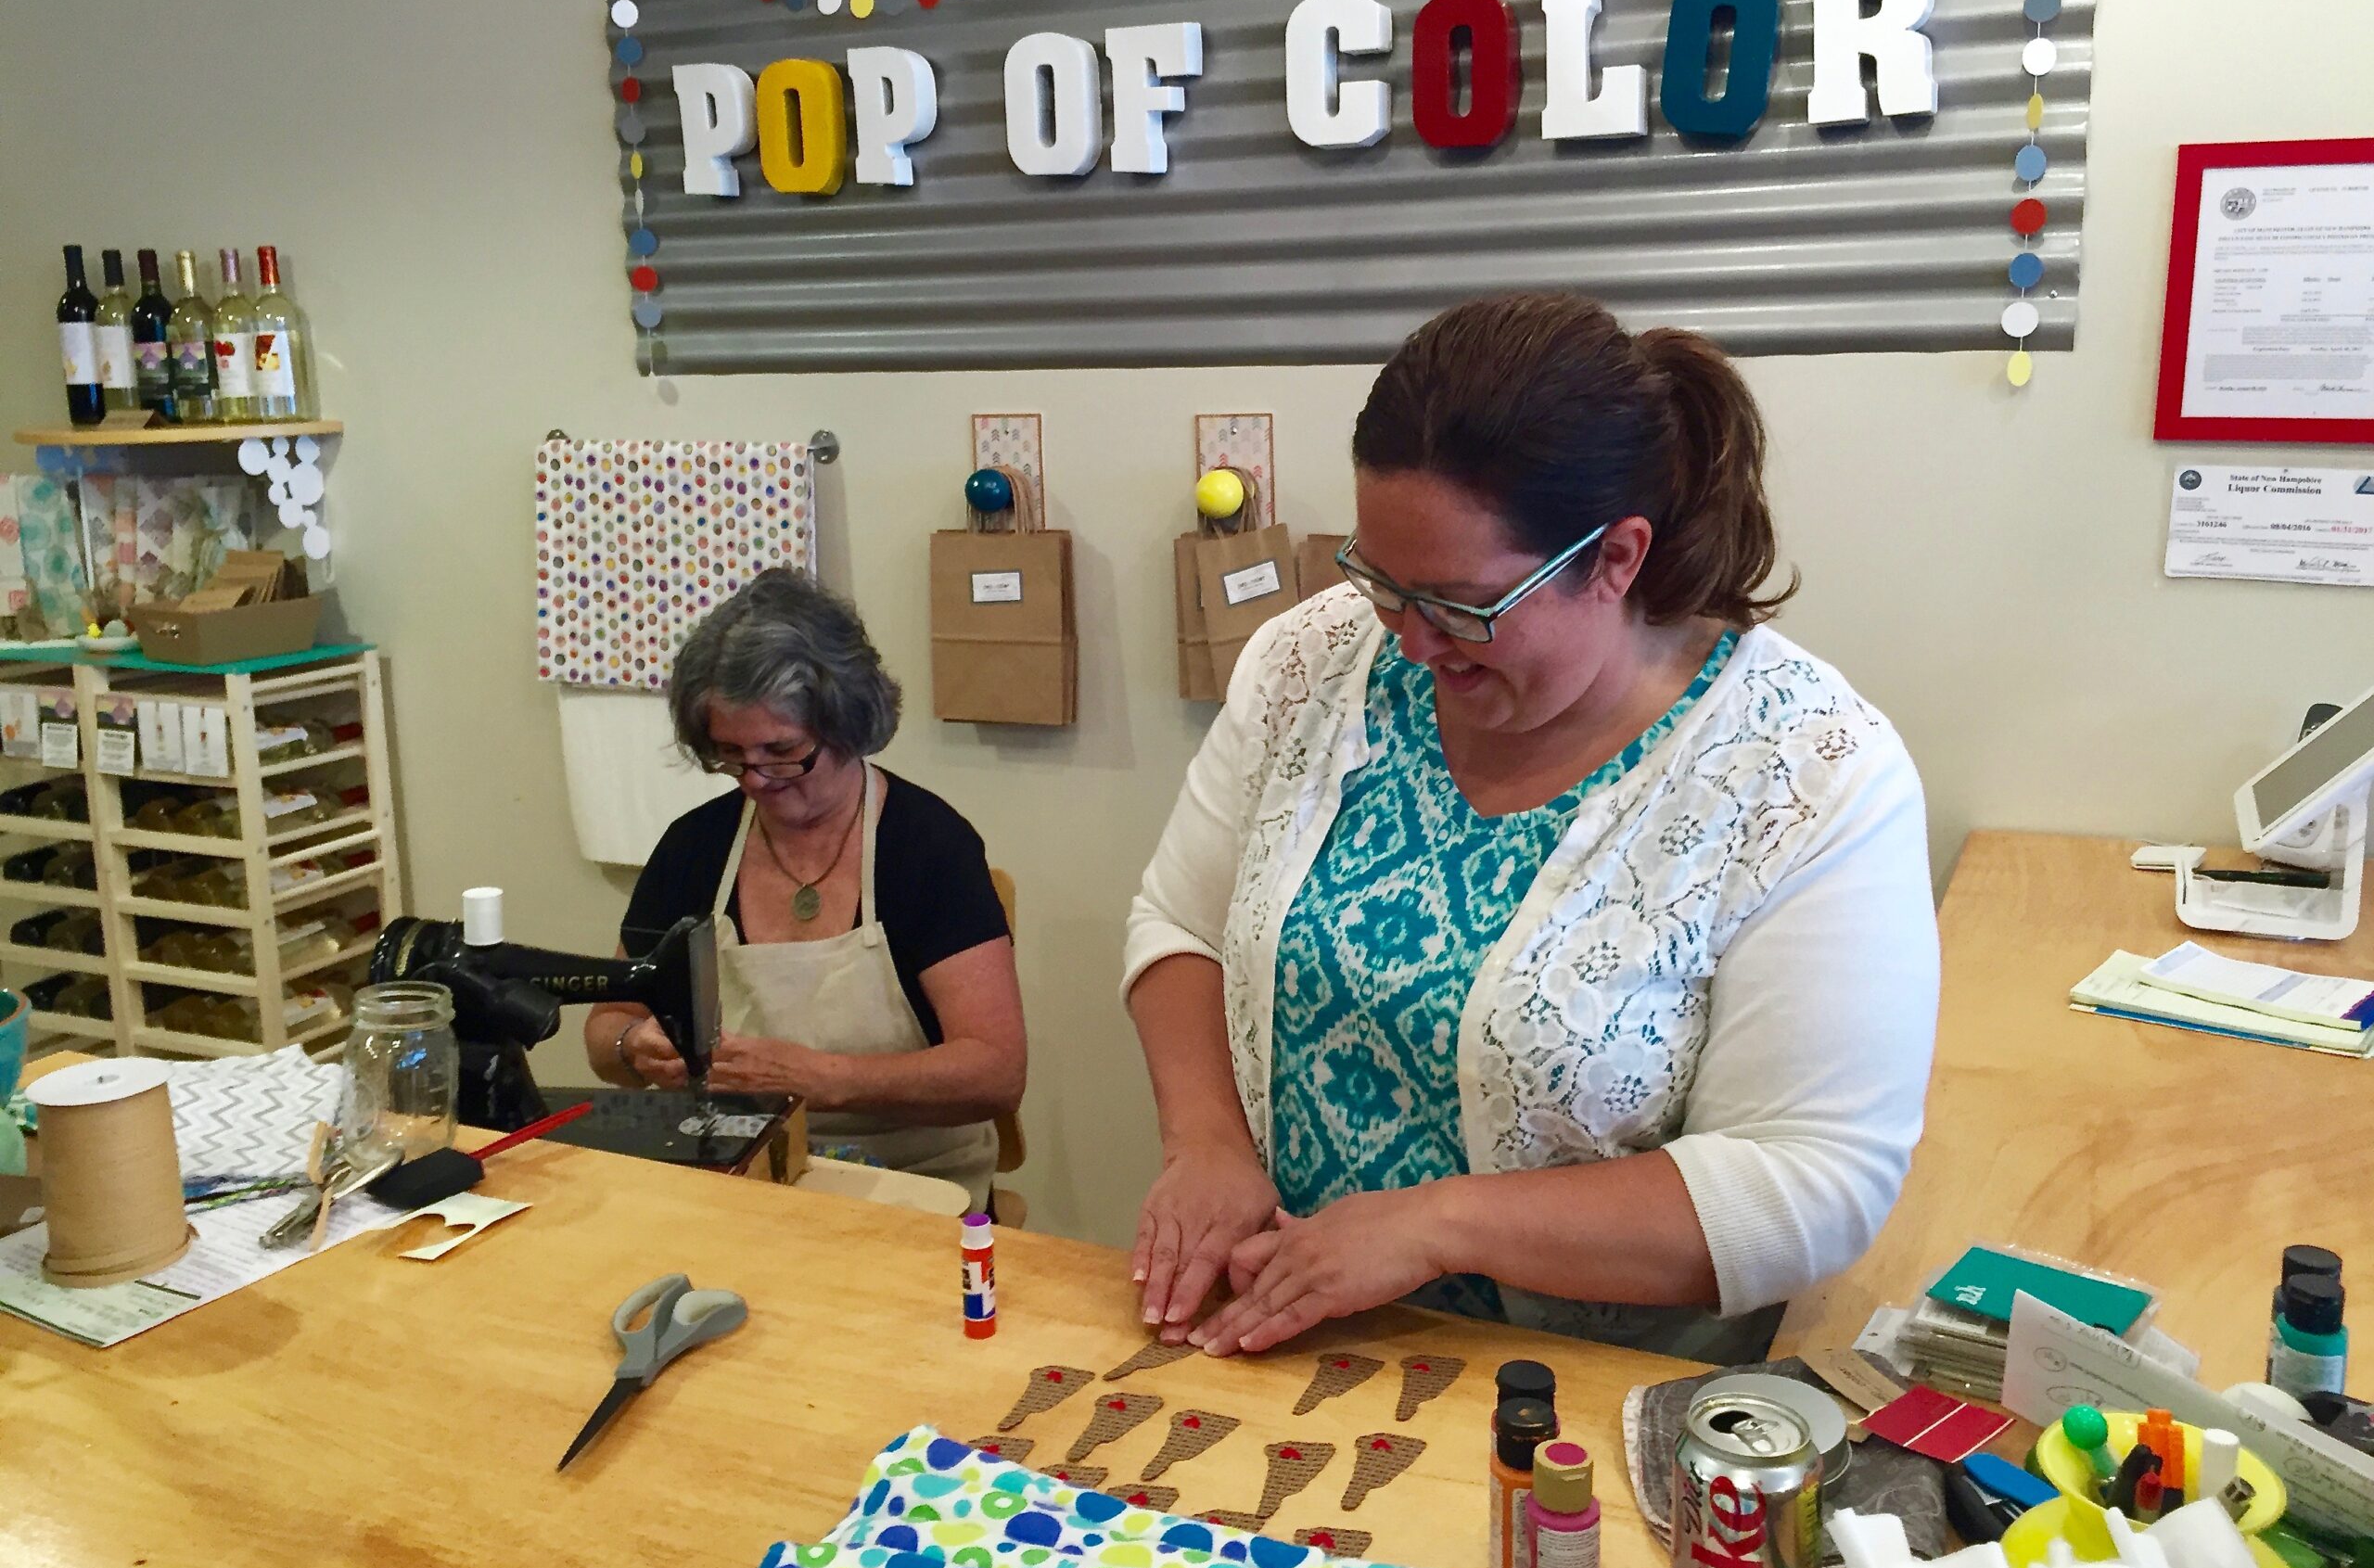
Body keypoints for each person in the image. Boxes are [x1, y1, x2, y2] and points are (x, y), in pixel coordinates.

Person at [1122, 293, 1939, 1364]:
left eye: (1462, 606)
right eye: (1380, 580)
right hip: (1286, 1336)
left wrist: (1433, 1226)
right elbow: (1179, 922)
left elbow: (1808, 1184)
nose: (1412, 644)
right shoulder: (1312, 664)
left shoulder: (1805, 772)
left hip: (1583, 1403)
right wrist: (1206, 1146)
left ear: (1615, 559)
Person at [585, 568, 1025, 1211]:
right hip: (735, 1180)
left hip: (911, 1191)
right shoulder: (694, 848)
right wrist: (634, 1049)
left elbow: (996, 1071)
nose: (757, 779)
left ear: (846, 723)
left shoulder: (928, 847)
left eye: (783, 751)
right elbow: (606, 1031)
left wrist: (825, 1080)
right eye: (731, 755)